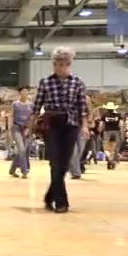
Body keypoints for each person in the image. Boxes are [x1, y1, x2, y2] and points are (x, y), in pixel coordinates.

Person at [30, 46, 89, 214]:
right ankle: (61, 202)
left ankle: (50, 196)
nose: (58, 67)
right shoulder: (45, 82)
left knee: (63, 165)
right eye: (55, 63)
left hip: (71, 125)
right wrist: (31, 126)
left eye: (62, 63)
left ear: (69, 64)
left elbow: (82, 107)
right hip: (51, 126)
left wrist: (84, 126)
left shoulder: (77, 83)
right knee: (55, 163)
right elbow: (36, 107)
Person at [9, 86, 33, 178]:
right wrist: (10, 128)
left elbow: (32, 118)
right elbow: (11, 116)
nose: (25, 93)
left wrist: (29, 129)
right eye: (23, 91)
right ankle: (24, 171)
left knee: (22, 151)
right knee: (22, 149)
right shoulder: (15, 104)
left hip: (27, 129)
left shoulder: (31, 105)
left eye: (26, 91)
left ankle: (12, 170)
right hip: (17, 128)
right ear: (20, 93)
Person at [100, 102, 123, 170]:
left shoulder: (104, 115)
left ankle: (110, 160)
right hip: (116, 131)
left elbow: (101, 125)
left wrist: (100, 131)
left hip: (107, 132)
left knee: (106, 149)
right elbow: (121, 124)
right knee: (113, 149)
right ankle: (111, 161)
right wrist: (122, 132)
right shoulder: (118, 115)